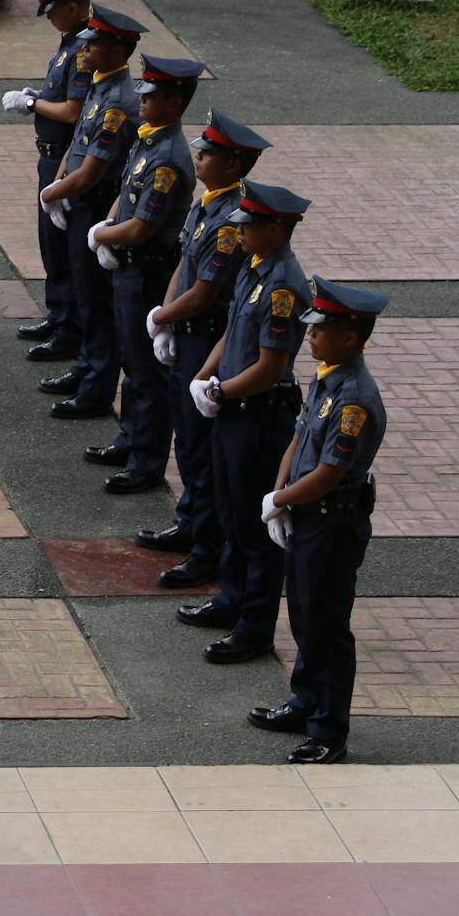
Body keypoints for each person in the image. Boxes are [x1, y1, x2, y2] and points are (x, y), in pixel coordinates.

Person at [248, 277, 389, 765]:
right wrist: (281, 495)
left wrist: (282, 497)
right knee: (305, 616)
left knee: (326, 626)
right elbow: (299, 438)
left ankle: (329, 729)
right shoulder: (327, 378)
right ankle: (305, 701)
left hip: (332, 525)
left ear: (349, 337)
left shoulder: (353, 400)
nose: (309, 336)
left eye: (319, 330)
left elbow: (329, 473)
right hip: (309, 518)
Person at [176, 181, 313, 664]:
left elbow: (271, 366)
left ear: (276, 227)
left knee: (255, 532)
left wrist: (221, 390)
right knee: (231, 515)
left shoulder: (282, 285)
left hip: (258, 415)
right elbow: (233, 332)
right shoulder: (254, 270)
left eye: (250, 226)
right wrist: (203, 376)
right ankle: (231, 598)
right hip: (234, 409)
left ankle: (254, 627)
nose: (242, 233)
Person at [141, 111, 271, 587]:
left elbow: (208, 289)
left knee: (200, 448)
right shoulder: (208, 204)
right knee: (186, 438)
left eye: (210, 153)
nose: (198, 156)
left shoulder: (230, 221)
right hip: (188, 330)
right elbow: (184, 267)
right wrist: (167, 312)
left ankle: (206, 548)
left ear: (234, 162)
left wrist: (164, 316)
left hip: (205, 334)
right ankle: (191, 522)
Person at [85, 54, 201, 494]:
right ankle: (130, 439)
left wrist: (107, 236)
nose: (143, 102)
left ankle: (146, 462)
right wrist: (109, 227)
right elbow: (125, 195)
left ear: (173, 102)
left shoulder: (169, 157)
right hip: (129, 267)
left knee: (148, 373)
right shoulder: (149, 139)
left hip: (147, 269)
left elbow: (146, 225)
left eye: (152, 97)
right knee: (133, 362)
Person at [39, 6, 146, 431]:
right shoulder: (101, 88)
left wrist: (54, 191)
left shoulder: (119, 101)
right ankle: (87, 366)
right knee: (84, 292)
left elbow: (95, 169)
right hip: (79, 199)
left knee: (97, 303)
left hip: (95, 203)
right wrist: (62, 175)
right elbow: (78, 146)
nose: (85, 51)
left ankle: (98, 386)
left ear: (118, 49)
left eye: (95, 45)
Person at [2, 0, 93, 367]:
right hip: (49, 156)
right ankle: (57, 316)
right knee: (51, 246)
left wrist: (34, 104)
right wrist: (38, 95)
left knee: (66, 248)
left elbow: (74, 111)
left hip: (64, 160)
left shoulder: (85, 51)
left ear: (73, 7)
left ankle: (69, 330)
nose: (50, 18)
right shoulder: (69, 42)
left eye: (54, 10)